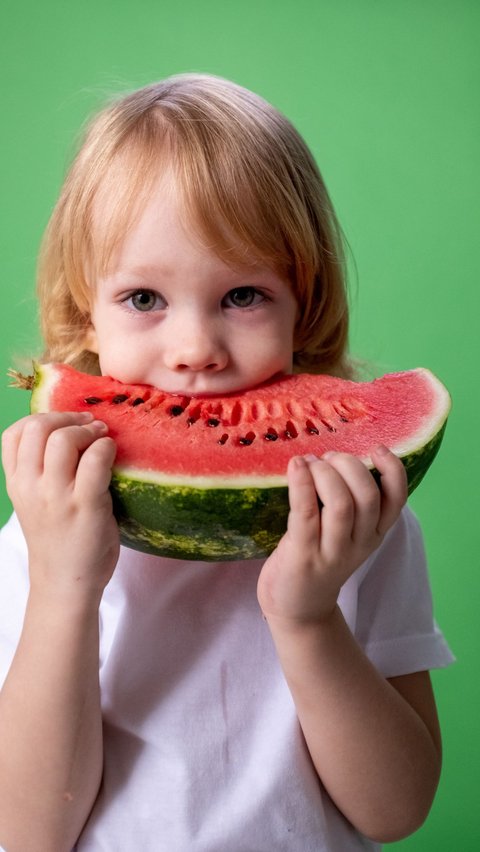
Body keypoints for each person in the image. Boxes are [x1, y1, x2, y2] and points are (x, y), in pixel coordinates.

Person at [0, 73, 453, 852]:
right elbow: (26, 831)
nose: (196, 352)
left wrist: (308, 616)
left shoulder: (360, 519)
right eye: (144, 298)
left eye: (243, 295)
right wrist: (63, 585)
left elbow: (397, 811)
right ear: (86, 314)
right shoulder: (43, 532)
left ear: (303, 303)